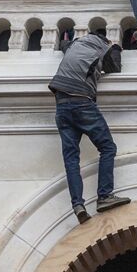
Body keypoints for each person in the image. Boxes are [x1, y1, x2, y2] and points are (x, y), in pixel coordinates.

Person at [48, 32, 131, 223]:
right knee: (108, 148)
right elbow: (115, 67)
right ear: (105, 40)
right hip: (82, 103)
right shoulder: (104, 47)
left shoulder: (74, 45)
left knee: (71, 158)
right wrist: (116, 47)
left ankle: (78, 204)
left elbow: (63, 43)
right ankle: (104, 196)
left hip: (61, 104)